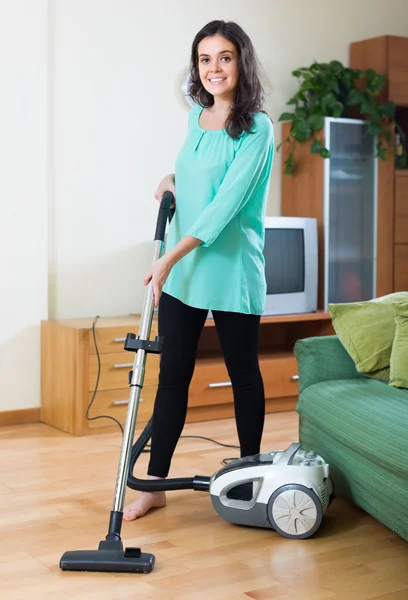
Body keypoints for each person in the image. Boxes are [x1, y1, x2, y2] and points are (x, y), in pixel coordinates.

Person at [123, 19, 274, 521]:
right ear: (197, 67)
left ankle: (251, 478)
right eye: (205, 59)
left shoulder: (258, 128)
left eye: (224, 57)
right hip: (187, 272)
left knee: (243, 375)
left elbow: (225, 205)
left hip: (229, 269)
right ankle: (156, 483)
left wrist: (167, 256)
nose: (214, 68)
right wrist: (172, 177)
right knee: (172, 378)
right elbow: (197, 178)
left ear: (240, 62)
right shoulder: (196, 117)